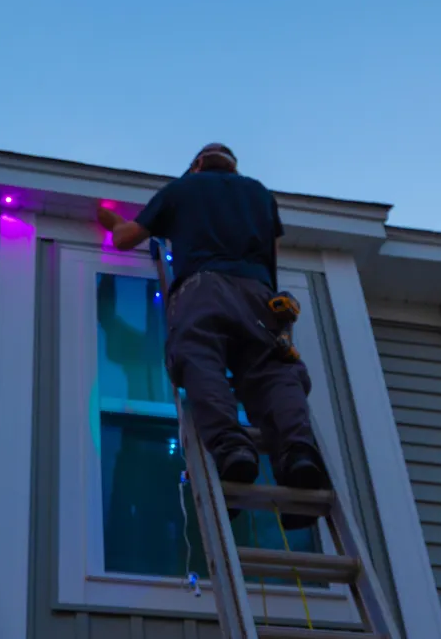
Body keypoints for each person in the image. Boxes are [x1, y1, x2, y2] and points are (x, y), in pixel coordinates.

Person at [97, 143, 330, 529]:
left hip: (203, 288)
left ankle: (231, 448)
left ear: (197, 165)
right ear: (234, 168)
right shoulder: (260, 195)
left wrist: (106, 217)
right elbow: (272, 257)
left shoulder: (183, 189)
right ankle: (299, 455)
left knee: (200, 357)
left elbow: (124, 238)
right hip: (260, 296)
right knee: (275, 373)